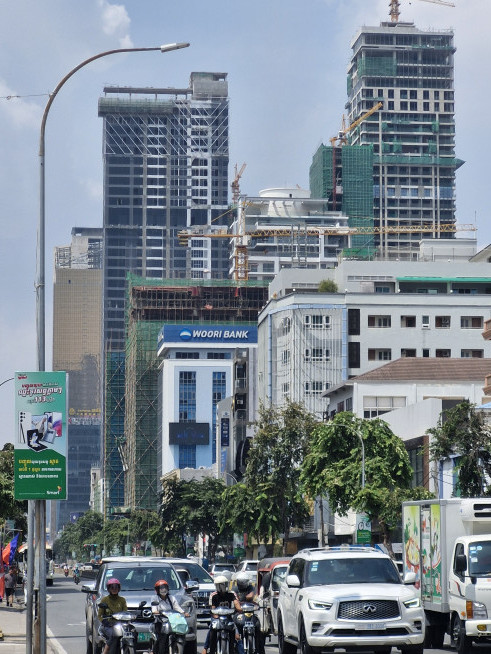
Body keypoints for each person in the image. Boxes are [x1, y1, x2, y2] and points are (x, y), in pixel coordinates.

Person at [202, 575, 243, 654]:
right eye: (219, 585)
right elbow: (213, 608)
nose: (221, 587)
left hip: (228, 618)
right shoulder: (213, 595)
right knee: (212, 628)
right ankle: (206, 648)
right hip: (217, 618)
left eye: (222, 585)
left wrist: (239, 609)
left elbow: (236, 603)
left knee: (237, 636)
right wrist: (215, 616)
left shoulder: (231, 593)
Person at [151, 580, 190, 653]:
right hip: (160, 622)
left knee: (180, 634)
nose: (163, 590)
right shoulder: (154, 598)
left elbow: (177, 607)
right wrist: (159, 612)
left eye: (165, 587)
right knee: (162, 638)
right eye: (161, 588)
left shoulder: (171, 598)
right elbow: (154, 610)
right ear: (157, 590)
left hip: (172, 621)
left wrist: (184, 613)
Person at [234, 572, 264, 654]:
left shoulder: (251, 587)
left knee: (258, 628)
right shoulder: (235, 590)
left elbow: (251, 596)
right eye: (240, 582)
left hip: (250, 613)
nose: (242, 584)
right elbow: (235, 600)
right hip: (239, 613)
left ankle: (260, 650)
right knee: (234, 628)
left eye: (243, 582)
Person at [98, 577, 128, 654]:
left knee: (133, 633)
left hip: (120, 625)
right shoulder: (105, 600)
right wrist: (106, 622)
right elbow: (100, 615)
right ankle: (105, 651)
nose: (114, 589)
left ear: (119, 588)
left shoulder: (122, 600)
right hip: (108, 626)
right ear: (109, 589)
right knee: (114, 635)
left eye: (116, 587)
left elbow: (125, 612)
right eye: (112, 587)